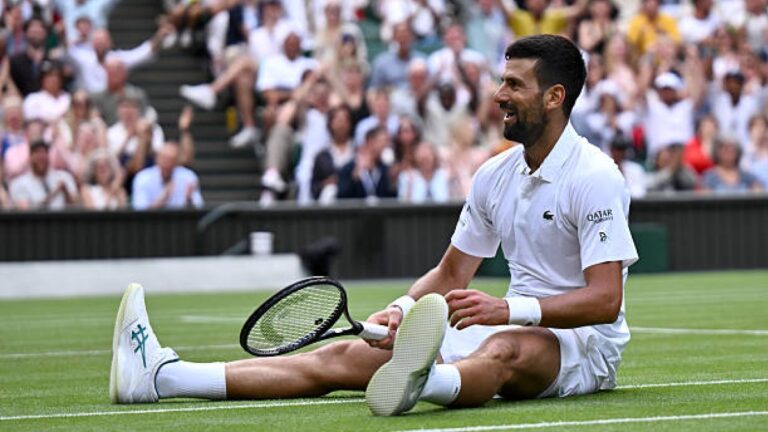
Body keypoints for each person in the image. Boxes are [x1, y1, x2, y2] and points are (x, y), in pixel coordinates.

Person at [109, 35, 638, 418]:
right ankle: (161, 376)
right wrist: (403, 309)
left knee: (504, 351)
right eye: (502, 81)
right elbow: (452, 271)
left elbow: (604, 300)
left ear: (555, 97)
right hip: (507, 322)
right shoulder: (493, 175)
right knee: (341, 356)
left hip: (580, 344)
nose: (499, 95)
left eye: (514, 85)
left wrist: (508, 309)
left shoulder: (594, 176)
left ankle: (423, 380)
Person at [8, 139, 79, 210]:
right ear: (30, 157)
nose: (41, 157)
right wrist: (54, 193)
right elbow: (26, 212)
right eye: (37, 153)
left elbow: (77, 207)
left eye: (44, 152)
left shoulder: (64, 177)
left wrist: (66, 192)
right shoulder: (19, 183)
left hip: (64, 220)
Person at [131, 142, 203, 210]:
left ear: (177, 161)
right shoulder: (143, 178)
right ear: (157, 159)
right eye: (164, 159)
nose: (167, 164)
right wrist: (163, 198)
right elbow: (140, 211)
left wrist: (189, 200)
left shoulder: (188, 177)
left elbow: (198, 208)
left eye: (171, 160)